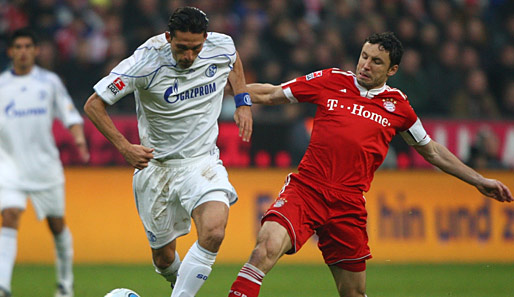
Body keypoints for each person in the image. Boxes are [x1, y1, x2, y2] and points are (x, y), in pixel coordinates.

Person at [227, 32, 513, 297]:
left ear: (392, 70)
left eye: (376, 61)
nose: (365, 65)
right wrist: (221, 92)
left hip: (348, 204)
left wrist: (479, 180)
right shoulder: (332, 80)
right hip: (307, 190)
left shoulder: (397, 106)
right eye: (364, 56)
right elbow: (272, 93)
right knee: (264, 249)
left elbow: (433, 152)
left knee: (353, 293)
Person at [83, 7, 253, 297]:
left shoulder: (220, 45)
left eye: (196, 48)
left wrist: (243, 101)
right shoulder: (145, 61)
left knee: (214, 231)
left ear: (205, 39)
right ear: (167, 38)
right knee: (163, 259)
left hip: (202, 163)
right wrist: (125, 147)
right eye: (181, 48)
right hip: (157, 169)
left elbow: (233, 59)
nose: (189, 56)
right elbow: (93, 105)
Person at [0, 28, 89, 297]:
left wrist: (80, 140)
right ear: (11, 52)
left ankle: (65, 283)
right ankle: (3, 286)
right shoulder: (1, 85)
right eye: (19, 47)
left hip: (44, 166)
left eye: (28, 46)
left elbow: (70, 114)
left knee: (56, 224)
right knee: (9, 216)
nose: (23, 51)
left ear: (36, 51)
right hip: (9, 164)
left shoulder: (49, 82)